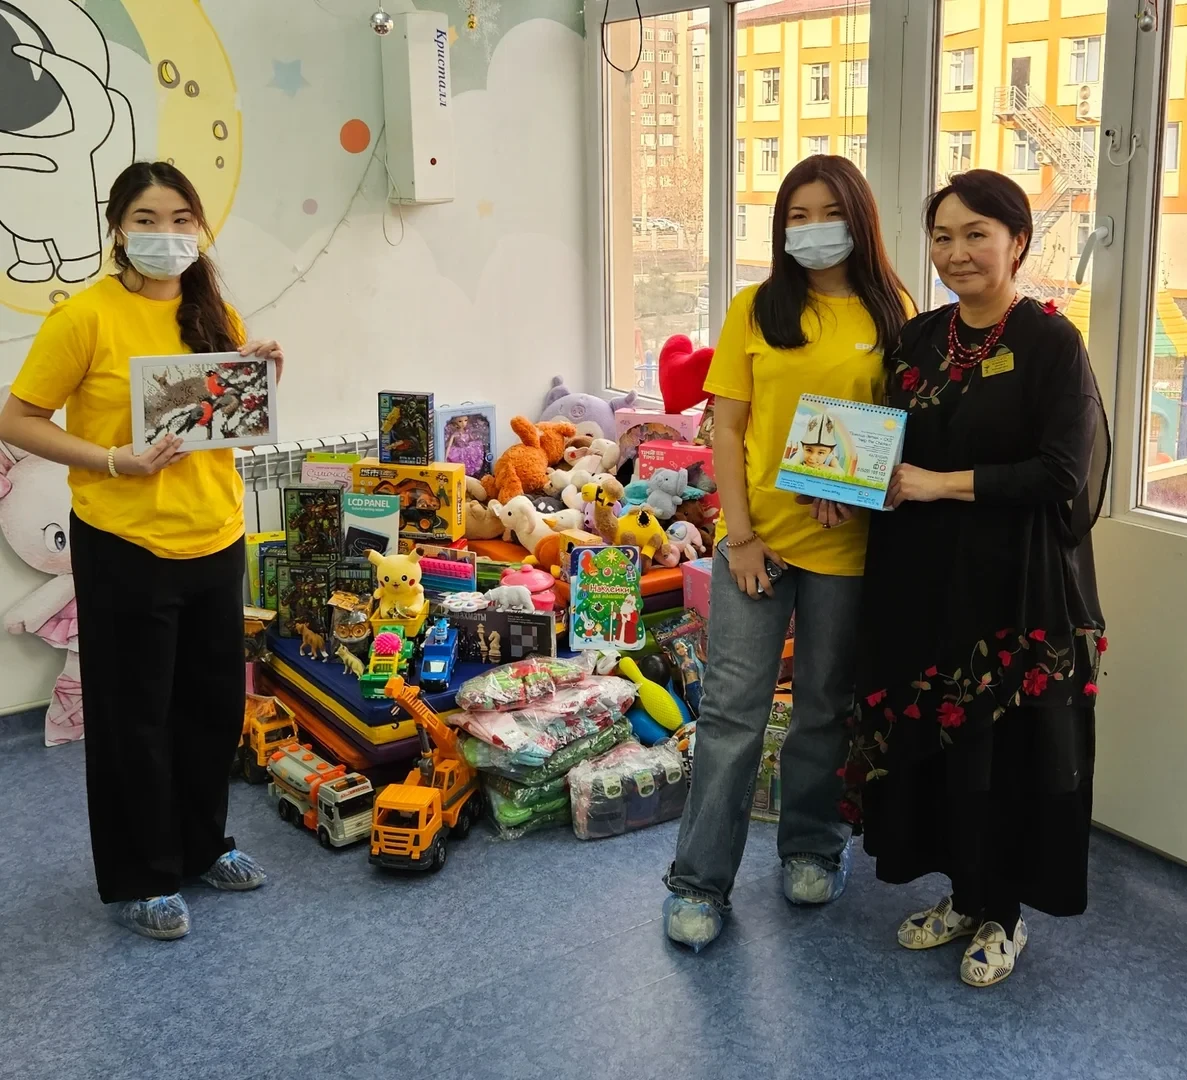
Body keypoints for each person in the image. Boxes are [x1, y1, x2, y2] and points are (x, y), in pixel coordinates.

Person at [0, 161, 285, 941]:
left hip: (215, 535)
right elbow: (17, 419)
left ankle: (203, 846)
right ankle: (142, 877)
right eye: (148, 220)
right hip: (125, 543)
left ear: (200, 227)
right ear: (118, 229)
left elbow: (224, 429)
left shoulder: (212, 310)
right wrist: (112, 460)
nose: (167, 235)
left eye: (181, 219)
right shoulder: (85, 318)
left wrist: (260, 378)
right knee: (134, 718)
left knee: (211, 708)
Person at [847, 170, 1109, 987]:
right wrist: (839, 480)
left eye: (975, 235)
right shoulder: (918, 338)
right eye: (941, 237)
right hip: (919, 577)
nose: (955, 252)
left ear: (1016, 242)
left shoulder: (1050, 342)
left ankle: (1003, 915)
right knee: (939, 744)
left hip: (1013, 584)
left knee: (1006, 753)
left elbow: (1059, 471)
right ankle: (962, 896)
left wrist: (938, 483)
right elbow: (882, 443)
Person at [662, 155, 913, 951]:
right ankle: (698, 880)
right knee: (731, 713)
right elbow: (727, 429)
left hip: (847, 545)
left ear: (858, 219)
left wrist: (858, 488)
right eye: (795, 216)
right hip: (757, 543)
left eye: (827, 213)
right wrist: (739, 537)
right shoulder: (756, 307)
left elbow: (896, 424)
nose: (811, 230)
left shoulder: (892, 310)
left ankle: (812, 847)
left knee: (822, 707)